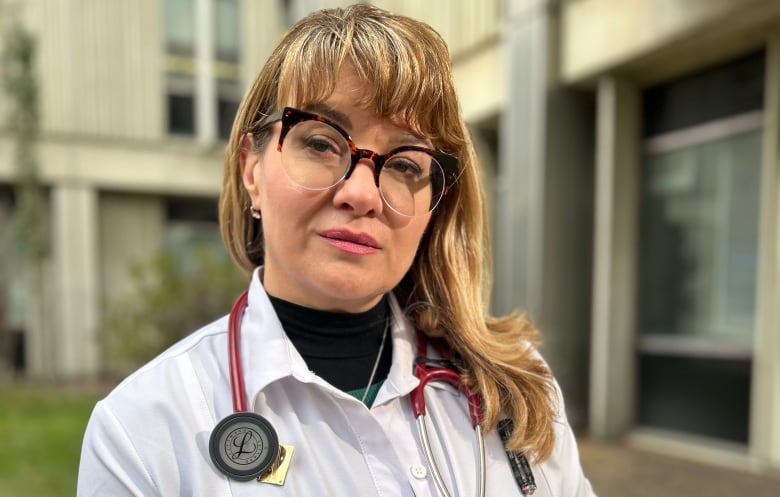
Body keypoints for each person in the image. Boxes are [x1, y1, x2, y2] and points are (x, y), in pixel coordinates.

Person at [77, 4, 595, 496]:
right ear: (251, 169)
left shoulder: (518, 385)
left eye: (405, 164)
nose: (363, 194)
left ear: (433, 206)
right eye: (322, 143)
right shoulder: (142, 431)